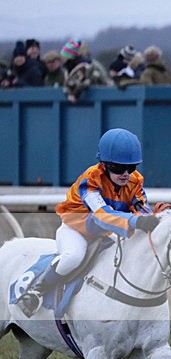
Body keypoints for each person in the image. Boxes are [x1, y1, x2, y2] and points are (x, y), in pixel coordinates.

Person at [16, 129, 160, 317]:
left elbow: (142, 208)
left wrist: (156, 218)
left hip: (105, 233)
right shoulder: (90, 180)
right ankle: (36, 291)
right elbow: (102, 215)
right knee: (73, 256)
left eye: (131, 168)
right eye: (118, 168)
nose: (126, 174)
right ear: (104, 165)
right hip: (76, 230)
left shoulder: (135, 182)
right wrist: (136, 221)